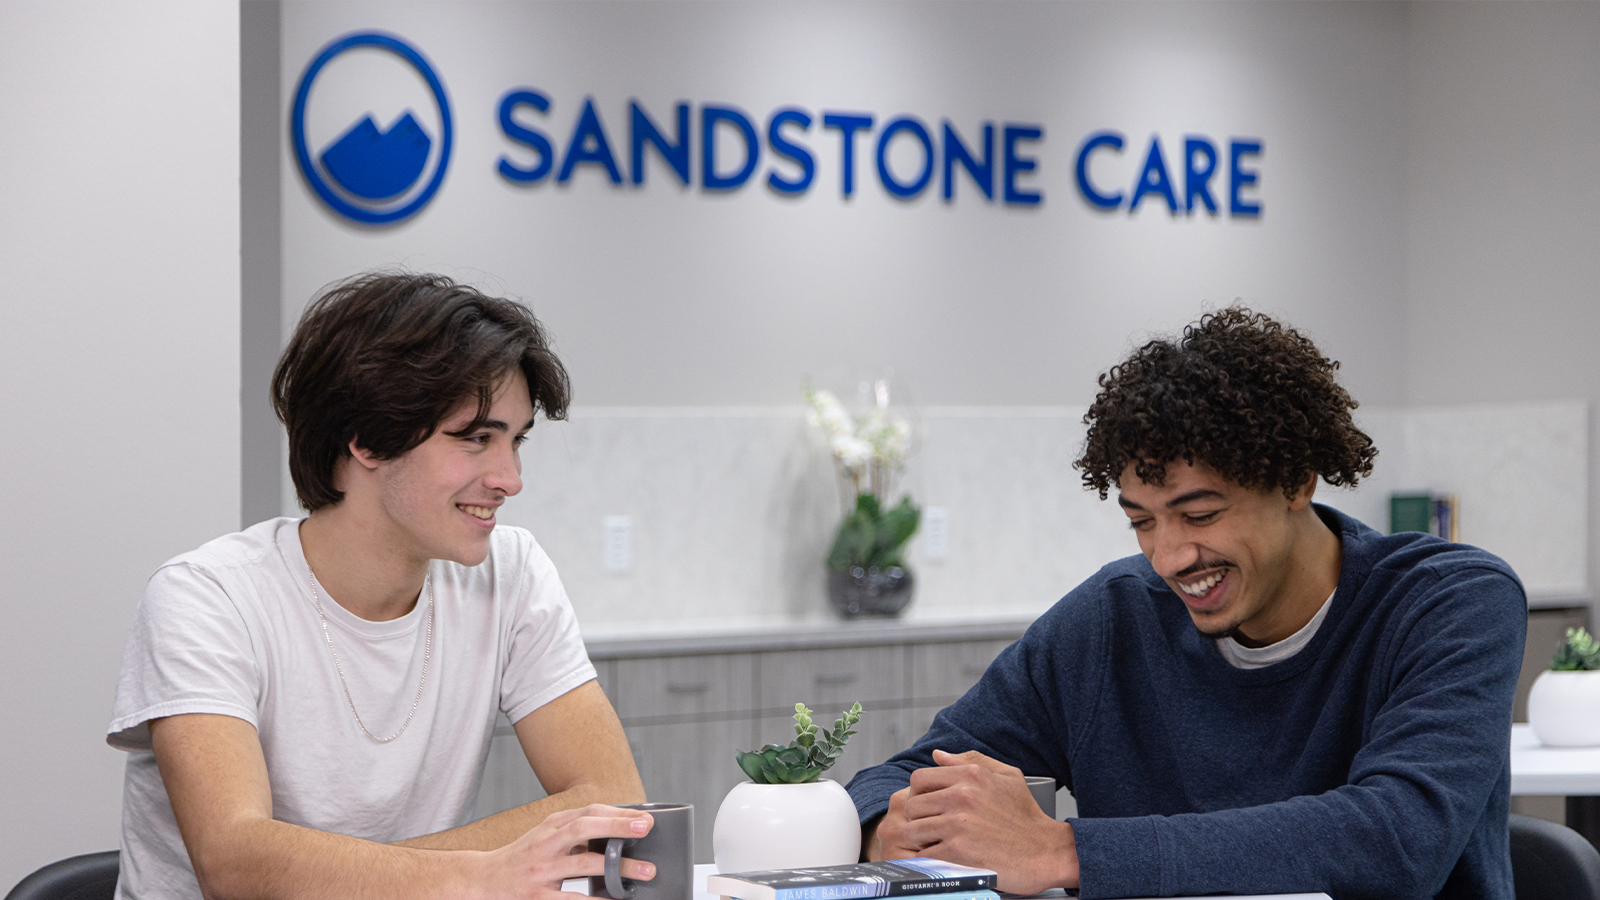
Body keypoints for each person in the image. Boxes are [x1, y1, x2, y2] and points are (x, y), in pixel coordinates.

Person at [846, 308, 1526, 900]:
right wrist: (890, 828)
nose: (1169, 557)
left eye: (1198, 513)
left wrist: (1062, 850)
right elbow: (897, 777)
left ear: (1294, 480)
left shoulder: (1448, 602)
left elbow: (1398, 840)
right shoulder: (1112, 621)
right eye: (1142, 521)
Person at [107, 272, 653, 900]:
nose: (510, 478)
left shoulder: (513, 572)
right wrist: (481, 873)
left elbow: (613, 799)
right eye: (477, 438)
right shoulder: (206, 597)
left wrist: (343, 875)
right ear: (367, 438)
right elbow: (235, 862)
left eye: (516, 440)